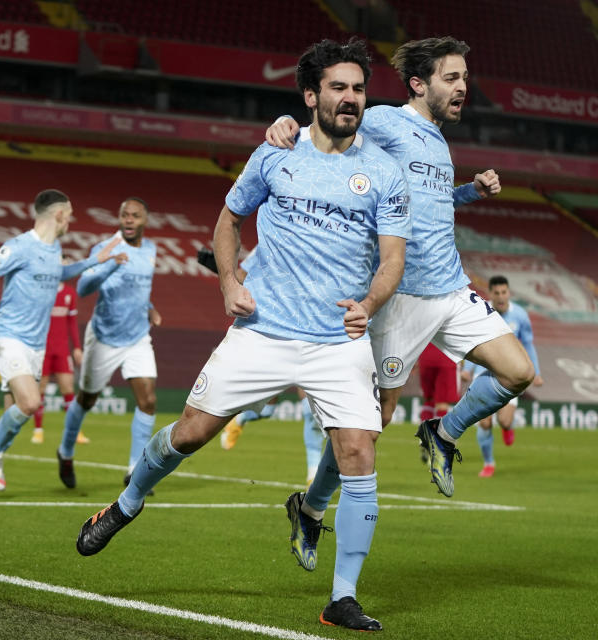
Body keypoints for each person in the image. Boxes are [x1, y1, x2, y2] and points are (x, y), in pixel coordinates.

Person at [76, 39, 411, 632]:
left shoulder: (383, 171)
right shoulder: (273, 154)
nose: (350, 98)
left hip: (337, 339)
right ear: (311, 96)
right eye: (337, 87)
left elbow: (391, 260)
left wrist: (371, 302)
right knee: (191, 432)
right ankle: (127, 502)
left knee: (359, 452)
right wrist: (230, 281)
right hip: (263, 330)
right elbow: (229, 222)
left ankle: (342, 597)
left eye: (358, 88)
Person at [266, 36, 534, 507]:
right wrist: (286, 122)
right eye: (451, 78)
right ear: (417, 84)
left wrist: (470, 190)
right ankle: (311, 507)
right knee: (373, 422)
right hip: (402, 297)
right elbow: (332, 119)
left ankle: (443, 434)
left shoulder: (437, 140)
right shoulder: (389, 121)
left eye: (465, 78)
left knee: (518, 372)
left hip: (449, 288)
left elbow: (431, 200)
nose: (462, 87)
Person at [0, 189, 124, 498]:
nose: (71, 220)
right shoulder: (19, 246)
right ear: (59, 214)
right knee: (32, 402)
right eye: (70, 214)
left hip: (35, 345)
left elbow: (60, 272)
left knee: (15, 409)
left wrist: (93, 260)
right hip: (8, 336)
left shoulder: (54, 249)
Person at [57, 197, 162, 489]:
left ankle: (135, 470)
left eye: (135, 216)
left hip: (138, 336)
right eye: (124, 215)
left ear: (145, 220)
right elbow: (83, 287)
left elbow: (140, 290)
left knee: (149, 401)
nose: (129, 220)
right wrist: (109, 266)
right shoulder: (107, 248)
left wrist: (150, 308)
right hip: (104, 337)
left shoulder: (151, 250)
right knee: (87, 399)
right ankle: (65, 451)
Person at [203, 246, 326, 484]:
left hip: (312, 332)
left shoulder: (321, 239)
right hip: (273, 333)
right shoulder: (272, 240)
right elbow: (241, 276)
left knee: (310, 409)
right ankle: (239, 420)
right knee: (267, 409)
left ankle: (313, 473)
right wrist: (221, 270)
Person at [461, 276, 543, 477]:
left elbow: (528, 344)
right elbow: (474, 343)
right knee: (485, 421)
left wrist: (537, 373)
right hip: (483, 371)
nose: (500, 297)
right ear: (490, 294)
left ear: (509, 293)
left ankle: (507, 427)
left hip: (509, 373)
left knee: (505, 421)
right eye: (496, 293)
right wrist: (468, 369)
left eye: (503, 292)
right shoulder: (481, 313)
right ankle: (489, 463)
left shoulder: (520, 316)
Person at [31, 279, 89, 445]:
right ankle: (38, 431)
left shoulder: (69, 293)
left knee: (68, 389)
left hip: (62, 349)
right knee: (39, 388)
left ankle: (75, 432)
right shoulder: (42, 290)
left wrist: (77, 347)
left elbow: (72, 322)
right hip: (43, 349)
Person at [416, 343, 460, 463]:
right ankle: (439, 445)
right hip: (446, 356)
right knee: (442, 403)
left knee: (429, 400)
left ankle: (424, 437)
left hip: (426, 356)